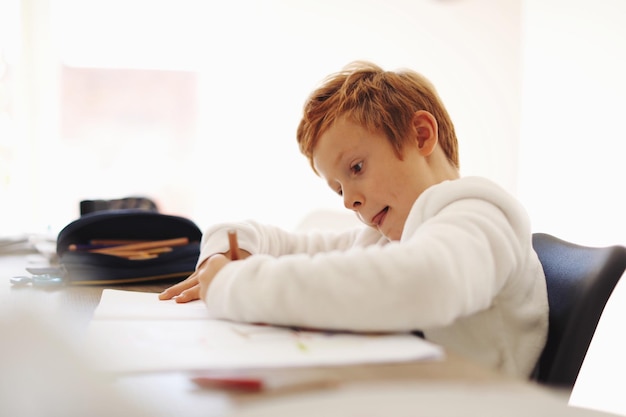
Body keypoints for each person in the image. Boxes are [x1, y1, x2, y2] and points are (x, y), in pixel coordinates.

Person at [159, 61, 548, 379]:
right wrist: (224, 251)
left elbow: (423, 283)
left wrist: (233, 286)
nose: (349, 201)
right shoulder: (394, 234)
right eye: (338, 189)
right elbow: (286, 245)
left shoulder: (479, 213)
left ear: (421, 135)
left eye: (357, 167)